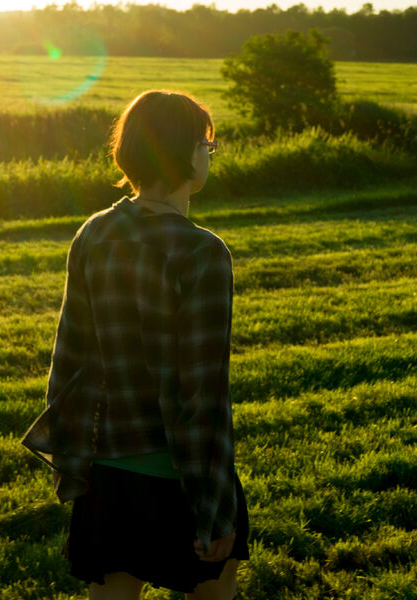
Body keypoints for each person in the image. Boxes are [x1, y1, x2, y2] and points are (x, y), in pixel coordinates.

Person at [21, 89, 249, 600]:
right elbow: (201, 395)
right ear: (186, 154)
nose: (208, 155)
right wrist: (215, 509)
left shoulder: (94, 234)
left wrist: (76, 461)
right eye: (205, 145)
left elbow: (69, 359)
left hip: (108, 476)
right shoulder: (202, 253)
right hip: (179, 480)